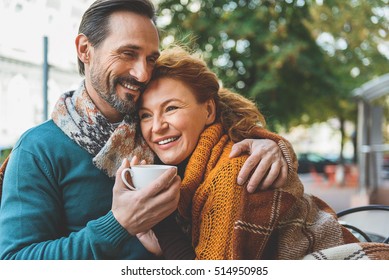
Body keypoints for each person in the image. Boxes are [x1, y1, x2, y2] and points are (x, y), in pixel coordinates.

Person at [0, 0, 288, 260]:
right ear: (85, 50)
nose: (143, 73)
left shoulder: (160, 135)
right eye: (128, 53)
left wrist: (268, 144)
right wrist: (118, 224)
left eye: (151, 58)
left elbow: (221, 118)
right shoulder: (39, 149)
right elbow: (15, 262)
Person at [128, 45, 361, 259]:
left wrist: (163, 227)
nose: (156, 126)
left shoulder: (233, 171)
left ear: (209, 110)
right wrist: (163, 245)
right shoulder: (195, 167)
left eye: (171, 108)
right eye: (146, 115)